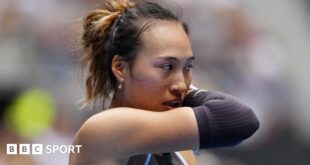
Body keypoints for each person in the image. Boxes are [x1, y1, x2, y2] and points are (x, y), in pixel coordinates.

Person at [69, 0, 259, 164]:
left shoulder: (180, 149)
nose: (181, 84)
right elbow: (239, 120)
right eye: (167, 67)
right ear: (120, 68)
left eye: (187, 67)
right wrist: (189, 93)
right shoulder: (103, 130)